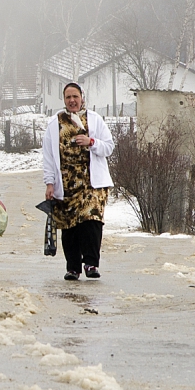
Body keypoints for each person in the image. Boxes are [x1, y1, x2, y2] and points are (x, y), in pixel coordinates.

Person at [42, 82, 115, 281]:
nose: (72, 100)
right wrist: (50, 183)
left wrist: (91, 142)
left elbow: (109, 147)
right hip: (66, 184)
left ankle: (91, 263)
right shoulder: (54, 123)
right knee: (69, 226)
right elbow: (48, 157)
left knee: (91, 220)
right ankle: (73, 267)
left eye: (75, 96)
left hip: (92, 182)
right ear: (64, 100)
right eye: (68, 97)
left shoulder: (95, 120)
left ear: (82, 97)